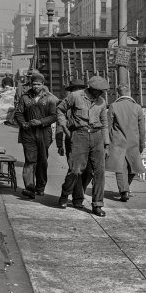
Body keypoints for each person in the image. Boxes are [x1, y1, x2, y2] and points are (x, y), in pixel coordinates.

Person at [56, 75, 110, 216]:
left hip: (97, 136)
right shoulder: (75, 96)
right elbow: (60, 110)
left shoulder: (102, 102)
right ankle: (65, 194)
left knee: (99, 171)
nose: (100, 93)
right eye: (98, 90)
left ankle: (97, 204)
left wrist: (106, 144)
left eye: (102, 91)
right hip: (79, 135)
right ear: (90, 88)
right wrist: (64, 126)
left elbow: (104, 124)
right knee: (75, 170)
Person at [13, 73, 58, 199]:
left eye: (39, 84)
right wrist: (23, 123)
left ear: (43, 85)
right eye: (34, 84)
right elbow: (18, 113)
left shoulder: (49, 98)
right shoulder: (25, 98)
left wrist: (41, 122)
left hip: (44, 133)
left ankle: (40, 187)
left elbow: (54, 116)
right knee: (30, 160)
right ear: (31, 84)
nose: (36, 86)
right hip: (28, 133)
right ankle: (29, 187)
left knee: (42, 161)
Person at [106, 83, 145, 202]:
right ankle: (125, 189)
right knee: (134, 167)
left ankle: (124, 189)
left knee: (120, 168)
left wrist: (106, 144)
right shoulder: (137, 108)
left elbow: (107, 126)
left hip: (117, 142)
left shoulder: (113, 106)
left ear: (118, 94)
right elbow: (142, 129)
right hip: (133, 143)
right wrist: (142, 144)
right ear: (129, 92)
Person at [55, 77, 89, 209]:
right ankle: (68, 196)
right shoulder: (66, 104)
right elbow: (59, 125)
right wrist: (59, 145)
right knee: (74, 170)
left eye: (80, 89)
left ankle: (78, 196)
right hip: (72, 139)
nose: (78, 92)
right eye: (75, 89)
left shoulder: (88, 102)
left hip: (88, 141)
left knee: (87, 171)